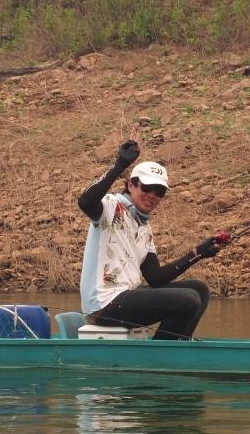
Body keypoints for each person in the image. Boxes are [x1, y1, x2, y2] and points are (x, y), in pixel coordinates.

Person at [78, 134, 223, 340]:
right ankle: (164, 355)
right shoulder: (111, 206)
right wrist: (121, 163)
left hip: (125, 298)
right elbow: (85, 202)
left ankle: (172, 347)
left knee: (198, 290)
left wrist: (199, 253)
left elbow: (155, 277)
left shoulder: (143, 227)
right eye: (146, 188)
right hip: (103, 304)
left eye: (159, 192)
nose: (152, 195)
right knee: (188, 300)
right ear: (131, 185)